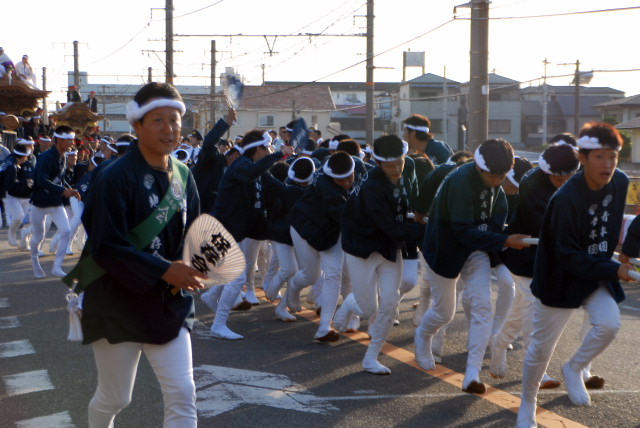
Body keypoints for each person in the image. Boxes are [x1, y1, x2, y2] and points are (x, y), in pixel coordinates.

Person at [78, 82, 204, 428]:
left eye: (174, 120)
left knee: (183, 393)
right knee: (116, 397)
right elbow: (106, 246)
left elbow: (193, 232)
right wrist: (164, 269)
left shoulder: (183, 175)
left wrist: (195, 264)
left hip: (169, 303)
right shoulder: (114, 176)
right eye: (158, 120)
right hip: (116, 303)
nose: (169, 129)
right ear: (137, 126)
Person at [514, 122, 633, 428]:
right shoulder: (565, 199)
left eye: (612, 156)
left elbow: (620, 225)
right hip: (559, 277)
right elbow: (567, 255)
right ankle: (527, 404)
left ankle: (575, 367)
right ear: (582, 158)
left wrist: (624, 257)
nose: (607, 164)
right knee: (541, 349)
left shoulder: (620, 181)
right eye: (599, 157)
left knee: (609, 324)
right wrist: (615, 269)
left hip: (596, 272)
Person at [414, 138, 530, 394]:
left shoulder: (497, 186)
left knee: (483, 307)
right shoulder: (460, 181)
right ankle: (422, 335)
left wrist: (503, 238)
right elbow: (462, 230)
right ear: (479, 166)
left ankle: (472, 374)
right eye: (493, 175)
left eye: (502, 175)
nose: (497, 180)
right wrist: (504, 240)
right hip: (444, 250)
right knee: (444, 313)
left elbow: (496, 222)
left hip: (476, 250)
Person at [490, 141, 580, 391]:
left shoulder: (578, 180)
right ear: (546, 171)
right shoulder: (532, 184)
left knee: (521, 307)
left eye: (569, 178)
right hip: (527, 254)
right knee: (533, 305)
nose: (564, 183)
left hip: (555, 256)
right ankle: (539, 369)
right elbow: (550, 226)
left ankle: (499, 342)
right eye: (558, 179)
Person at [335, 135, 425, 374]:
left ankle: (371, 358)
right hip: (362, 246)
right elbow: (390, 226)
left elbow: (408, 206)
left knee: (390, 303)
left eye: (400, 163)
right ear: (377, 163)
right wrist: (428, 231)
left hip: (389, 246)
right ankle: (350, 304)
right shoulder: (372, 187)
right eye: (390, 166)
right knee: (368, 309)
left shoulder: (408, 169)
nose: (397, 169)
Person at [200, 130, 294, 339]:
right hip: (223, 229)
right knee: (238, 277)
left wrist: (308, 194)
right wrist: (279, 154)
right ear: (259, 149)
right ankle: (218, 325)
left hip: (235, 231)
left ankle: (212, 296)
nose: (269, 151)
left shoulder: (258, 171)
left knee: (234, 275)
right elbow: (251, 174)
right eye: (268, 148)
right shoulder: (241, 165)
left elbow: (281, 190)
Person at [29, 125, 79, 278]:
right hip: (40, 202)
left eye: (72, 140)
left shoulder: (63, 157)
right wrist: (63, 190)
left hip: (55, 202)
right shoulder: (45, 157)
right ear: (59, 140)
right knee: (39, 236)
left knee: (66, 231)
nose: (72, 143)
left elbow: (61, 180)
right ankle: (35, 263)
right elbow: (41, 180)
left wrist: (71, 190)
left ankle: (57, 267)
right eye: (68, 140)